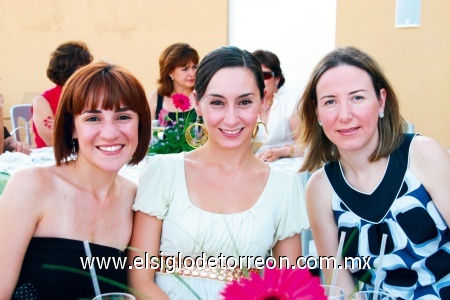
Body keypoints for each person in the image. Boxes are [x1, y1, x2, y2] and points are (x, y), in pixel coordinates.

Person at [128, 46, 308, 300]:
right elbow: (139, 279)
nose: (231, 118)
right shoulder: (163, 172)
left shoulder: (284, 185)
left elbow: (288, 285)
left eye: (245, 102)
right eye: (217, 102)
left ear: (263, 102)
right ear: (197, 103)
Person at [298, 46, 450, 299]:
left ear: (381, 100)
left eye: (357, 97)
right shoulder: (320, 188)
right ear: (317, 112)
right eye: (330, 102)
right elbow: (340, 286)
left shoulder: (423, 155)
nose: (344, 115)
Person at [0, 61, 151, 299]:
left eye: (123, 117)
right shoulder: (31, 186)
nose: (110, 133)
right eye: (93, 118)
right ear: (72, 127)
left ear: (140, 125)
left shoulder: (137, 199)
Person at [32, 41, 93, 148]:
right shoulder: (42, 101)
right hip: (52, 159)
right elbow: (52, 141)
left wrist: (63, 126)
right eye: (84, 68)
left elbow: (99, 133)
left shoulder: (92, 95)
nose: (90, 72)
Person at [252, 50, 303, 162]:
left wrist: (281, 152)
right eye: (256, 74)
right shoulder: (243, 102)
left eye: (265, 75)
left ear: (277, 79)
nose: (260, 80)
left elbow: (305, 146)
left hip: (283, 165)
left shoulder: (290, 102)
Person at [148, 43, 198, 123]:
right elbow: (148, 133)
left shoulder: (202, 96)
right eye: (185, 69)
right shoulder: (155, 98)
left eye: (194, 67)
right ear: (169, 72)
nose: (192, 73)